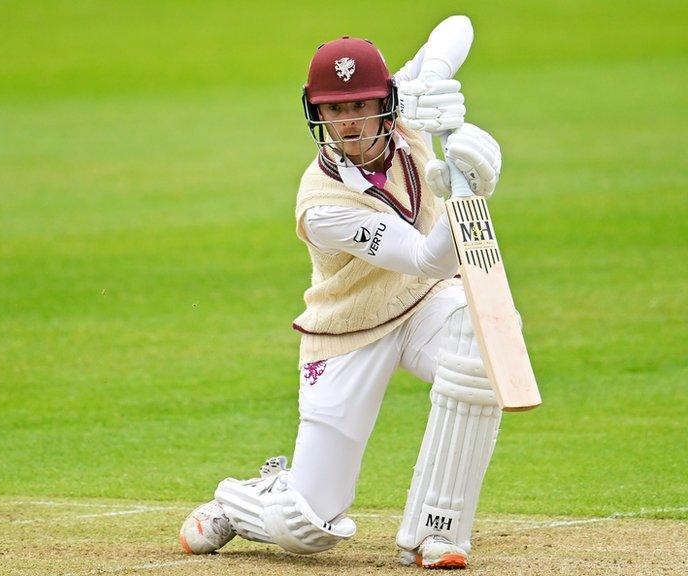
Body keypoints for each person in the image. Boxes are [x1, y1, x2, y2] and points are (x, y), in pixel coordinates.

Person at [178, 15, 505, 570]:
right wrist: (467, 192)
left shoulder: (406, 112)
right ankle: (248, 499)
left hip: (425, 302)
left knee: (483, 347)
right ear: (317, 114)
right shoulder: (322, 205)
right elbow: (428, 255)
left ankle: (438, 531)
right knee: (305, 525)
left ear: (386, 101)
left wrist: (437, 77)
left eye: (359, 107)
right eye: (334, 110)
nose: (349, 123)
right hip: (347, 332)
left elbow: (458, 25)